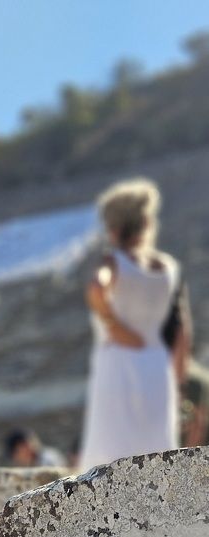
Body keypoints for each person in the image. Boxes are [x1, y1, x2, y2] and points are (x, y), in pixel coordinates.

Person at [79, 178, 191, 470]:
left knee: (110, 460)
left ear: (115, 228)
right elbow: (182, 333)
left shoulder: (113, 262)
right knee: (159, 457)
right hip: (157, 365)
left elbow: (95, 288)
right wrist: (177, 384)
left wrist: (113, 326)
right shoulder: (168, 268)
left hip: (117, 363)